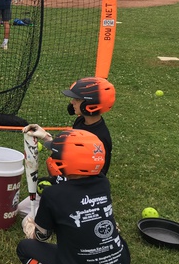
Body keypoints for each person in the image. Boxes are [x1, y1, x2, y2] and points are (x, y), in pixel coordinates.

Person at [17, 129, 137, 264]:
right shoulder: (103, 183)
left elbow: (42, 237)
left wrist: (29, 228)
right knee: (104, 237)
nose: (52, 158)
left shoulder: (53, 195)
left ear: (65, 162)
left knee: (24, 249)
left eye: (55, 155)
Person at [19, 77, 116, 215]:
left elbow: (94, 178)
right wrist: (46, 137)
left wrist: (61, 186)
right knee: (21, 209)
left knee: (33, 217)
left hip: (79, 193)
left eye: (77, 99)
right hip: (68, 182)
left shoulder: (100, 138)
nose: (72, 102)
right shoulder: (81, 121)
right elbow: (71, 151)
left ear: (91, 104)